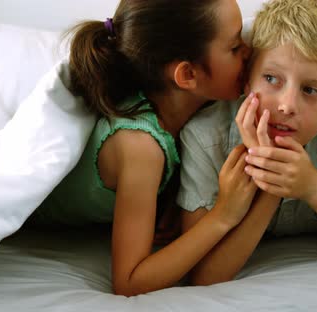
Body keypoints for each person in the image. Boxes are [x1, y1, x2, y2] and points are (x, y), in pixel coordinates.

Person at [30, 0, 256, 296]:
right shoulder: (140, 146)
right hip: (35, 218)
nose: (249, 51)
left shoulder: (183, 103)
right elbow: (129, 282)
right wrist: (223, 215)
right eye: (235, 46)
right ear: (187, 75)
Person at [178, 0, 317, 286]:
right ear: (247, 80)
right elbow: (205, 276)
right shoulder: (204, 140)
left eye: (310, 90)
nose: (287, 106)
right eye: (271, 78)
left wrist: (315, 188)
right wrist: (273, 187)